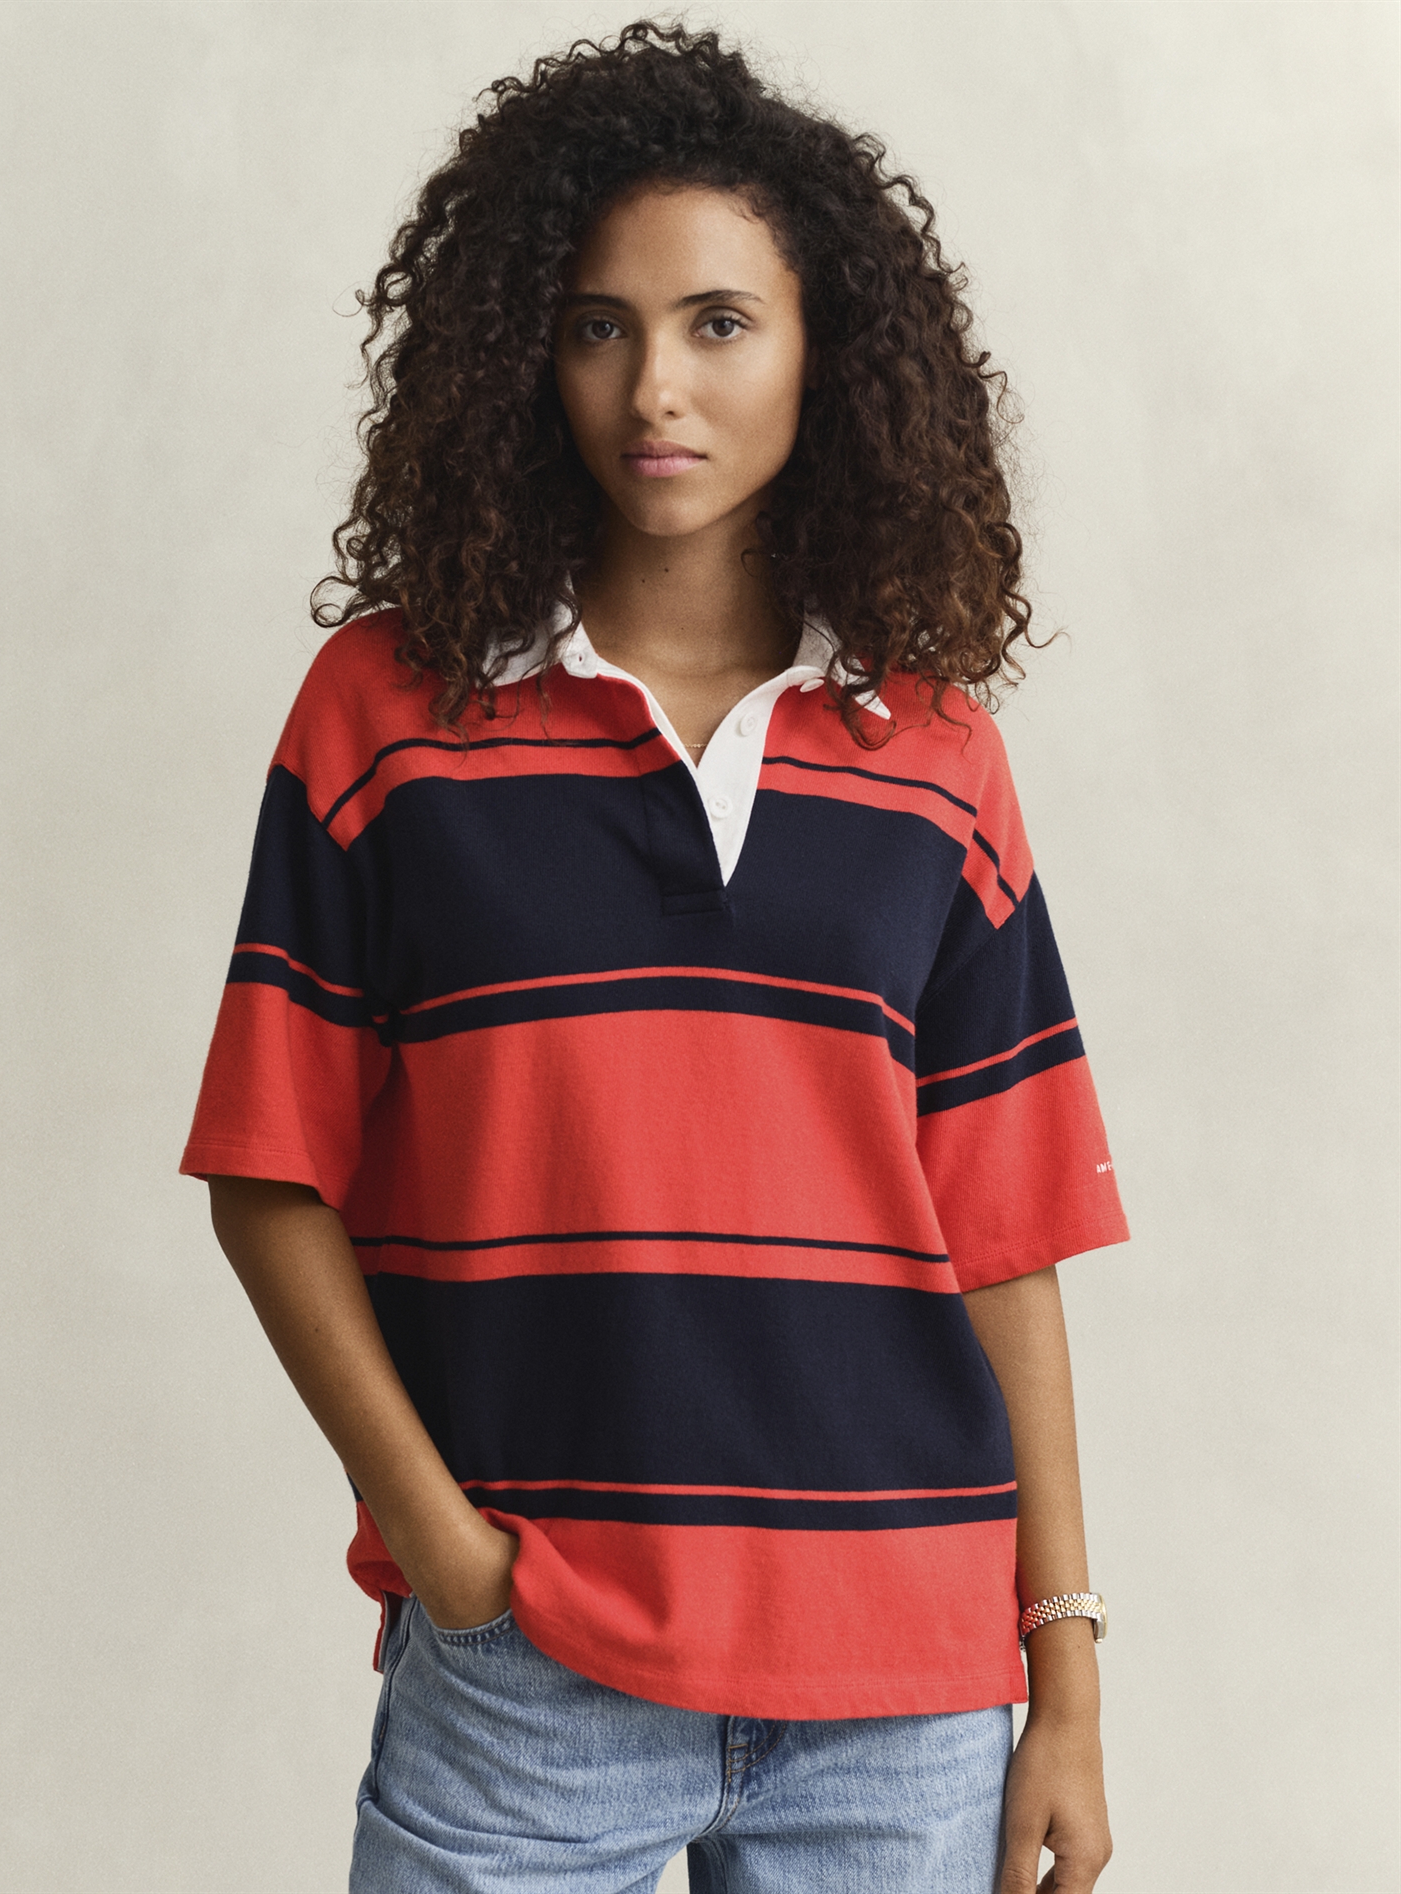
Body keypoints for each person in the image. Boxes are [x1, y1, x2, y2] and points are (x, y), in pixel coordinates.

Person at [182, 21, 1128, 1892]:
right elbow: (269, 1171)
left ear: (822, 353)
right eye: (599, 326)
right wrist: (444, 1547)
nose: (655, 387)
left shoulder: (935, 748)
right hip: (531, 1673)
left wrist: (1068, 1671)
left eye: (719, 323)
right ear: (525, 353)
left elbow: (1002, 1231)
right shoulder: (386, 712)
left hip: (906, 1696)